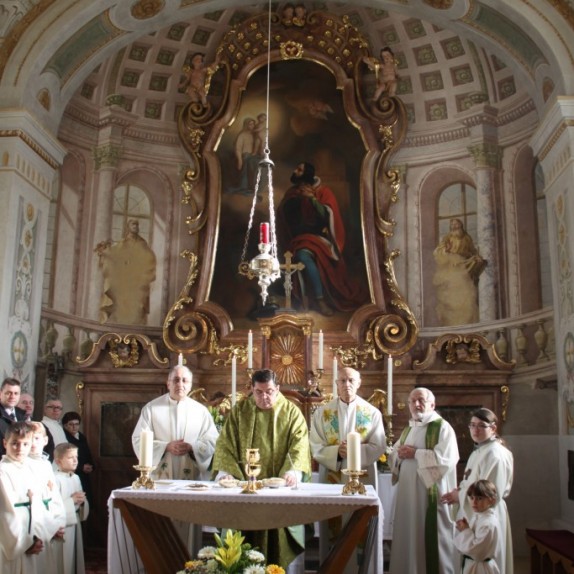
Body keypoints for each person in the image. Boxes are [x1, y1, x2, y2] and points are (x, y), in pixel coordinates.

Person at [212, 369, 311, 570]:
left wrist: (292, 472)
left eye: (269, 391)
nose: (264, 397)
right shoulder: (240, 411)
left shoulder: (291, 412)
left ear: (278, 389)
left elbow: (300, 445)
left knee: (278, 539)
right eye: (259, 392)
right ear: (252, 389)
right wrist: (226, 472)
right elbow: (225, 444)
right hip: (244, 491)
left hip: (279, 491)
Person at [132, 365, 218, 553]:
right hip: (160, 478)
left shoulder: (201, 411)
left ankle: (189, 564)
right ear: (168, 383)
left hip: (191, 480)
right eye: (176, 380)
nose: (180, 384)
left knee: (188, 530)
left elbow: (212, 441)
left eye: (185, 380)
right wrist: (165, 446)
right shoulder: (151, 409)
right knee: (162, 529)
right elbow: (138, 439)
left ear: (191, 384)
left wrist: (192, 447)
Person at [309, 366, 386, 569]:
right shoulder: (323, 413)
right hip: (333, 474)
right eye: (342, 380)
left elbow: (379, 445)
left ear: (359, 383)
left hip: (363, 476)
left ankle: (362, 569)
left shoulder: (371, 413)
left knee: (359, 522)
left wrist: (354, 452)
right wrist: (337, 452)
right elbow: (315, 444)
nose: (347, 384)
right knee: (333, 527)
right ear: (336, 384)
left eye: (351, 380)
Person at [277, 162, 366, 315]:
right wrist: (297, 200)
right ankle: (306, 298)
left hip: (318, 237)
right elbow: (284, 216)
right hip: (298, 238)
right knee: (299, 256)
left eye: (299, 170)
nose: (295, 171)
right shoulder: (292, 193)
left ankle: (320, 300)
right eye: (296, 168)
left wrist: (312, 199)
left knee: (303, 256)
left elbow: (328, 216)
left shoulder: (323, 191)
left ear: (307, 174)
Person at [388, 387, 459, 574]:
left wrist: (416, 453)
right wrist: (398, 455)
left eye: (421, 400)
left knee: (432, 537)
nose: (416, 404)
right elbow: (394, 454)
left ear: (432, 405)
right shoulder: (409, 428)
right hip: (408, 495)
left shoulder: (442, 427)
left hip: (429, 495)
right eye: (412, 401)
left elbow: (447, 459)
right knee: (409, 535)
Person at [441, 408, 513, 573]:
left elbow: (491, 492)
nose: (475, 430)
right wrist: (461, 490)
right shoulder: (481, 450)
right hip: (477, 512)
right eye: (472, 425)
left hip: (488, 513)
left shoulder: (495, 454)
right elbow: (472, 480)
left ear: (493, 428)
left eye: (481, 426)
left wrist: (459, 495)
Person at [0, 422, 53, 573]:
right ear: (5, 443)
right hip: (13, 545)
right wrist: (25, 544)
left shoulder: (30, 469)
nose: (20, 449)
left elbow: (40, 506)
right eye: (14, 443)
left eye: (25, 444)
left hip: (34, 540)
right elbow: (5, 515)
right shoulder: (3, 472)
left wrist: (39, 537)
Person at [95, 218, 157, 325]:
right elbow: (114, 254)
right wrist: (104, 252)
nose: (135, 227)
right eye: (133, 225)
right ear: (128, 227)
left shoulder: (142, 243)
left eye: (137, 225)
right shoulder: (123, 243)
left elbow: (149, 258)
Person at [433, 218, 486, 326]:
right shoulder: (447, 238)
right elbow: (437, 252)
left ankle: (466, 322)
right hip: (450, 268)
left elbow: (472, 251)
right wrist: (446, 250)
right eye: (453, 224)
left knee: (466, 294)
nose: (455, 226)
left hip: (463, 267)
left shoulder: (467, 239)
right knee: (450, 295)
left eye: (457, 224)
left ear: (461, 225)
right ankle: (452, 323)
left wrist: (476, 257)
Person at [28, 421, 66, 574]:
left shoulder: (46, 464)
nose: (32, 443)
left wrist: (59, 522)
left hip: (50, 523)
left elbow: (54, 495)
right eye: (29, 439)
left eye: (36, 438)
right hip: (35, 526)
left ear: (45, 440)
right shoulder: (23, 464)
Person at [54, 443, 89, 574]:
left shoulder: (76, 477)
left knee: (74, 557)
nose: (75, 461)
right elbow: (53, 506)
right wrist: (72, 501)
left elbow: (80, 501)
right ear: (58, 461)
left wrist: (82, 502)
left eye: (76, 457)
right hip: (62, 524)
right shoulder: (55, 479)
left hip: (75, 521)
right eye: (70, 458)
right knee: (64, 559)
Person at [454, 480, 502, 574]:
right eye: (472, 498)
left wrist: (465, 530)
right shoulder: (479, 516)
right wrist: (466, 527)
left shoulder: (488, 524)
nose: (474, 502)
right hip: (473, 565)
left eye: (479, 498)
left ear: (492, 500)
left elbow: (477, 551)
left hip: (480, 568)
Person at [62, 412, 95, 505]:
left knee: (86, 500)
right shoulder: (64, 437)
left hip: (84, 473)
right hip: (72, 473)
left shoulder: (81, 436)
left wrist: (91, 465)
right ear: (65, 425)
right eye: (71, 424)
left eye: (77, 424)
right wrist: (81, 467)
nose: (74, 427)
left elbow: (87, 453)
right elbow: (65, 458)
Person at [0, 378, 27, 457]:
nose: (12, 396)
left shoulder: (23, 415)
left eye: (16, 393)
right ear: (0, 393)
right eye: (8, 393)